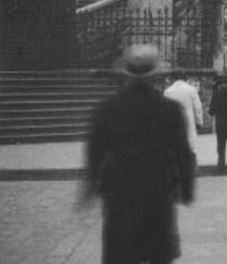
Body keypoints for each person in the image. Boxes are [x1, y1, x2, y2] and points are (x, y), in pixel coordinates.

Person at [81, 45, 194, 264]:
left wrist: (90, 187)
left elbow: (95, 152)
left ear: (126, 73)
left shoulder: (108, 108)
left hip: (119, 195)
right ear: (155, 74)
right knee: (158, 254)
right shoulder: (169, 109)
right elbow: (183, 153)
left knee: (121, 255)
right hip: (158, 193)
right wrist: (186, 190)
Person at [163, 69, 203, 177]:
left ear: (173, 78)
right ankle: (192, 171)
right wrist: (199, 121)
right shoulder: (191, 90)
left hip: (172, 124)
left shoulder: (167, 91)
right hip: (189, 121)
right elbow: (197, 107)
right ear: (185, 78)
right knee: (191, 146)